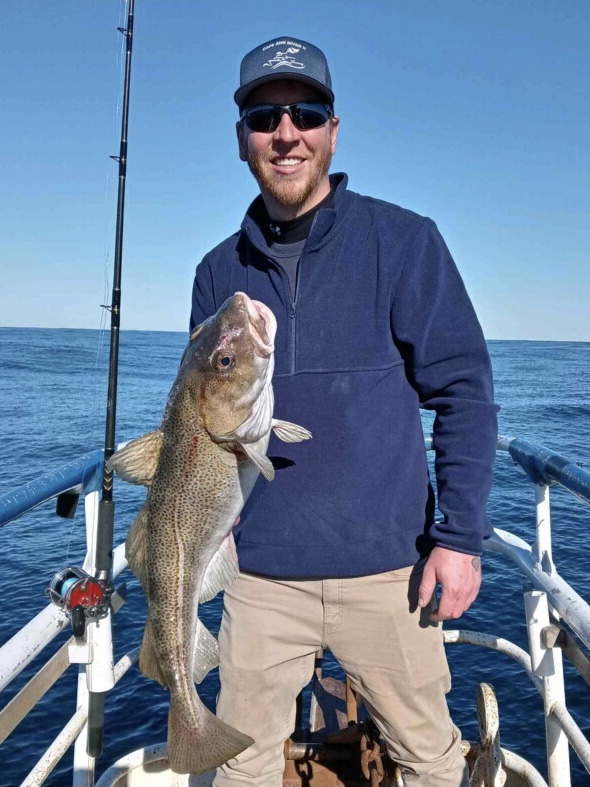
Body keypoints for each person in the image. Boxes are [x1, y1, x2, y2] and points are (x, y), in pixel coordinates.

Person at [190, 36, 497, 787]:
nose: (285, 132)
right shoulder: (215, 274)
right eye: (265, 117)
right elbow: (202, 425)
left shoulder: (405, 242)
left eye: (306, 112)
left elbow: (463, 391)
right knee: (240, 767)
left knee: (430, 759)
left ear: (333, 129)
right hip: (259, 578)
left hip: (390, 572)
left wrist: (458, 537)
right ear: (242, 141)